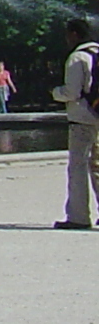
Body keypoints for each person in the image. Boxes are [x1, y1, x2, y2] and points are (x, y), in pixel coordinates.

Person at [57, 21, 99, 230]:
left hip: (82, 118)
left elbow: (71, 93)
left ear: (74, 35)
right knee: (97, 167)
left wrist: (55, 92)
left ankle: (79, 216)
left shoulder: (77, 58)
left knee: (78, 167)